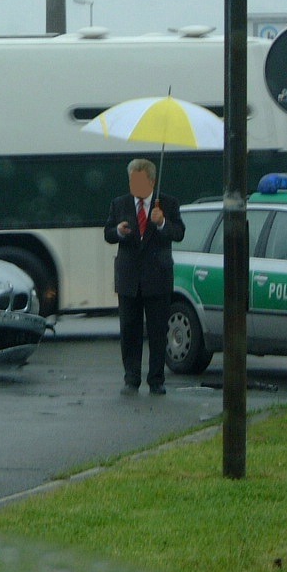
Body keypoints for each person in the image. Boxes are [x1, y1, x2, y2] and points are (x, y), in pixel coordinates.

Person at [103, 158, 185, 396]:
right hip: (129, 279)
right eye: (132, 180)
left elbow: (179, 232)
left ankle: (156, 380)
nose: (135, 185)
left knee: (158, 332)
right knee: (129, 330)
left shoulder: (167, 204)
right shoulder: (120, 203)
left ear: (151, 180)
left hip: (157, 278)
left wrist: (162, 224)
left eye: (139, 180)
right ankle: (131, 378)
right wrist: (118, 231)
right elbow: (108, 233)